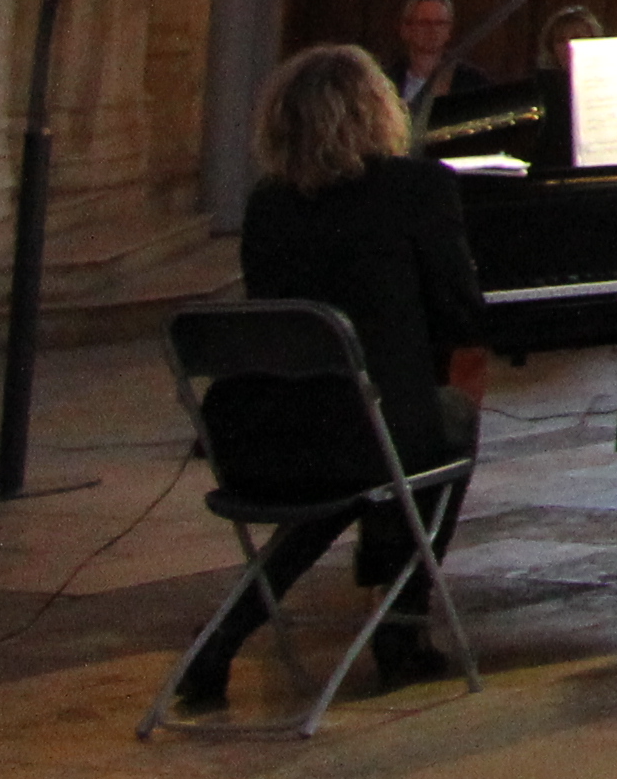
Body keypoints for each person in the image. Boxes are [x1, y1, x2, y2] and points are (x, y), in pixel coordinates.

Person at [172, 43, 485, 709]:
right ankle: (401, 630)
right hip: (359, 432)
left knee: (342, 466)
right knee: (447, 423)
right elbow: (461, 313)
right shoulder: (417, 188)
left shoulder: (267, 204)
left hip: (261, 437)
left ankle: (225, 636)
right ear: (378, 110)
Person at [382, 0, 497, 136]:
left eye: (440, 23)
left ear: (449, 31)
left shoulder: (473, 82)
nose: (432, 30)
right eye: (424, 23)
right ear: (406, 30)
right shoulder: (385, 81)